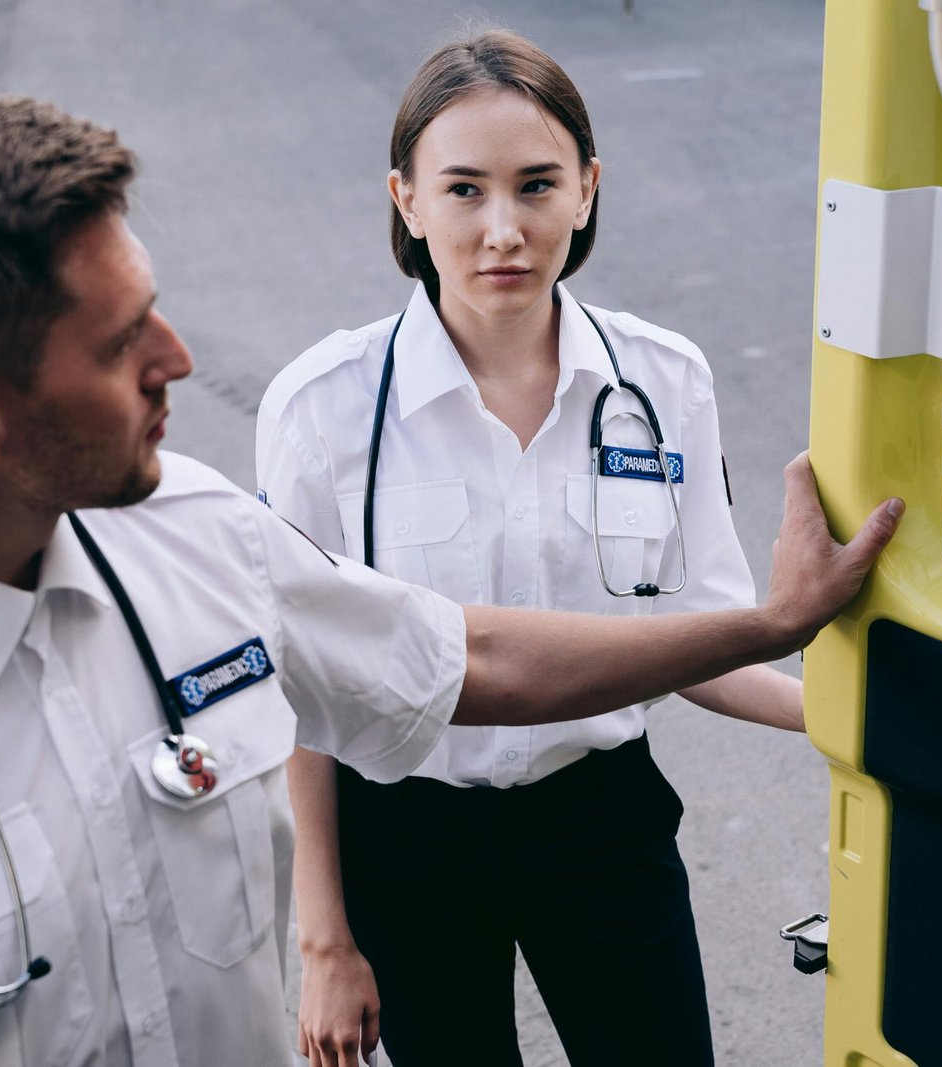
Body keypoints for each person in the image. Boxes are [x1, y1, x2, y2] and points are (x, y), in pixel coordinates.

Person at [0, 94, 899, 1064]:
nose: (181, 359)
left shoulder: (203, 539)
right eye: (119, 342)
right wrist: (329, 937)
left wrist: (780, 633)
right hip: (416, 853)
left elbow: (476, 656)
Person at [255, 30, 821, 1067]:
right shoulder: (324, 407)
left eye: (536, 185)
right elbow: (305, 693)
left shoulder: (664, 382)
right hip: (405, 833)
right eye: (463, 190)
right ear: (407, 200)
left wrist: (853, 722)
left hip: (602, 822)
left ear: (588, 190)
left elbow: (702, 634)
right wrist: (324, 938)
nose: (502, 229)